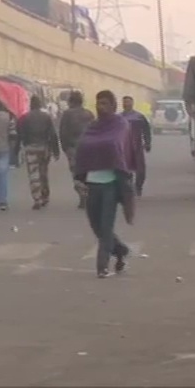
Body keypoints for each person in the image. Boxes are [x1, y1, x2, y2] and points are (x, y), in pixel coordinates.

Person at [73, 90, 137, 278]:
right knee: (96, 226)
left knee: (106, 226)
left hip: (111, 184)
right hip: (93, 183)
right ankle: (121, 251)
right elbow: (83, 146)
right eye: (98, 103)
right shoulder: (93, 126)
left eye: (105, 104)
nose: (101, 108)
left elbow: (116, 146)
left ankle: (102, 266)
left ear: (113, 106)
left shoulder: (120, 124)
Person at [17, 96, 61, 210]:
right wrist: (56, 151)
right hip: (44, 148)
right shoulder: (46, 117)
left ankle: (37, 198)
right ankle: (45, 195)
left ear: (30, 104)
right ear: (40, 104)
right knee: (43, 173)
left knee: (33, 174)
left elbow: (20, 135)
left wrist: (16, 149)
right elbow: (52, 134)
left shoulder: (24, 118)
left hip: (30, 148)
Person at [58, 91, 96, 209]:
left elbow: (63, 132)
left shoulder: (67, 114)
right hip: (89, 147)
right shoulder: (89, 114)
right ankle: (88, 192)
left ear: (71, 101)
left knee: (76, 172)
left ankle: (82, 194)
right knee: (87, 172)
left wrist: (64, 147)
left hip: (73, 147)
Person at [120, 95, 152, 197]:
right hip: (123, 147)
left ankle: (138, 187)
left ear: (132, 103)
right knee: (124, 169)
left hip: (137, 146)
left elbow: (146, 131)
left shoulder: (139, 117)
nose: (126, 104)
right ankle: (127, 188)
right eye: (124, 102)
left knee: (140, 170)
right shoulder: (119, 118)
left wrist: (147, 143)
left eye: (128, 102)